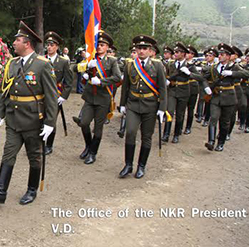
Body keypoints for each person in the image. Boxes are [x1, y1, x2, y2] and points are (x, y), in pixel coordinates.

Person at [0, 21, 57, 205]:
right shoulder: (12, 64)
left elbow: (51, 96)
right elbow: (4, 92)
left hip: (33, 121)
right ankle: (0, 191)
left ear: (27, 43)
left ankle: (31, 190)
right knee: (8, 153)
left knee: (34, 156)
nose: (13, 43)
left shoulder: (42, 65)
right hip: (13, 120)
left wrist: (50, 123)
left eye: (17, 40)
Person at [118, 35, 167, 178]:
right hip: (133, 104)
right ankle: (128, 164)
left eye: (144, 48)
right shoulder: (130, 65)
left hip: (150, 106)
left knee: (146, 136)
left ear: (150, 50)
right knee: (131, 132)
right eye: (138, 48)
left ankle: (141, 166)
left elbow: (163, 88)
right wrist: (122, 104)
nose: (141, 51)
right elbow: (126, 86)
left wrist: (162, 109)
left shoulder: (157, 65)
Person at [73, 31, 121, 165]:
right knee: (83, 122)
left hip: (103, 97)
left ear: (107, 47)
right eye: (97, 44)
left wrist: (101, 81)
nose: (99, 47)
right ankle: (88, 146)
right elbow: (74, 68)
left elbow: (117, 77)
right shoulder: (90, 58)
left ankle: (93, 153)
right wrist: (87, 68)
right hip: (89, 97)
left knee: (98, 128)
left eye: (102, 45)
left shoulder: (112, 61)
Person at [203, 43, 249, 152]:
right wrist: (206, 87)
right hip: (215, 97)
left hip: (229, 98)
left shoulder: (235, 67)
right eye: (219, 54)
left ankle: (221, 143)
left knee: (224, 122)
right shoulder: (213, 68)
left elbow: (247, 75)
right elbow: (203, 79)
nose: (220, 56)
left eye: (223, 54)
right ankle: (211, 141)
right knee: (213, 118)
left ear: (228, 57)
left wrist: (232, 73)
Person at [163, 42, 207, 144]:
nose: (176, 54)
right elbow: (167, 75)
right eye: (175, 52)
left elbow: (200, 77)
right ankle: (166, 134)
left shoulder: (189, 65)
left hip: (184, 91)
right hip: (173, 90)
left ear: (183, 54)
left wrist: (189, 73)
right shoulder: (171, 64)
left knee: (180, 114)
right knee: (169, 111)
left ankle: (176, 134)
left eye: (178, 52)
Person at [42, 31, 73, 155]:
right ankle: (39, 143)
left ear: (57, 46)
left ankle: (49, 145)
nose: (49, 47)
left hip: (55, 95)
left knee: (51, 120)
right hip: (41, 94)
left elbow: (69, 82)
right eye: (48, 44)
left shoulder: (63, 62)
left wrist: (63, 96)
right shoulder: (41, 59)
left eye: (52, 44)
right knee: (39, 119)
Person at [227, 46, 245, 141]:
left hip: (235, 89)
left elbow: (245, 74)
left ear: (236, 56)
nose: (230, 55)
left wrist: (232, 74)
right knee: (224, 114)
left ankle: (228, 132)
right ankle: (223, 131)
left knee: (232, 113)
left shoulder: (237, 66)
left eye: (232, 53)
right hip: (225, 90)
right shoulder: (225, 64)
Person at [184, 45, 200, 135]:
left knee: (190, 109)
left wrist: (190, 73)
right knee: (181, 110)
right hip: (183, 88)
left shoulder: (197, 64)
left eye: (189, 53)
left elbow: (199, 76)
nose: (186, 54)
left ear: (193, 55)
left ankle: (188, 127)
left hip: (192, 87)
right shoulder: (182, 63)